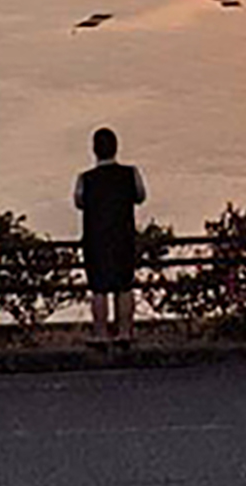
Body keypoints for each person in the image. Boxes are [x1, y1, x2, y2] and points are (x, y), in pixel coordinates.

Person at [73, 127, 146, 344]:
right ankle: (125, 332)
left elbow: (79, 201)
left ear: (94, 150)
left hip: (95, 239)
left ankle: (101, 334)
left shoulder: (85, 179)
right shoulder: (130, 174)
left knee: (99, 288)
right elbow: (140, 196)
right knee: (124, 285)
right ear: (116, 148)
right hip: (123, 236)